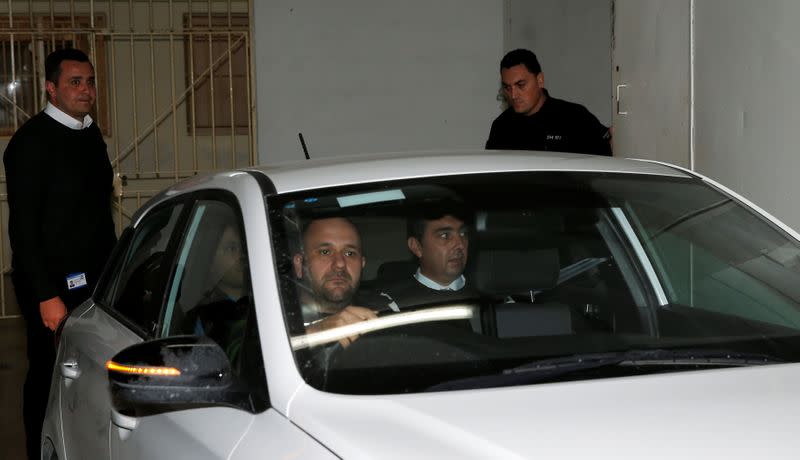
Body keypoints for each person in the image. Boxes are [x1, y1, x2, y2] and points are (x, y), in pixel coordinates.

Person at [3, 48, 117, 459]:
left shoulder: (89, 131)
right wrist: (45, 295)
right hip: (51, 286)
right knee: (48, 378)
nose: (85, 90)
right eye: (75, 82)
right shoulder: (30, 143)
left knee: (89, 374)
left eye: (89, 81)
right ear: (51, 88)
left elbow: (96, 211)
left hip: (96, 282)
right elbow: (24, 229)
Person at [485, 48, 612, 156]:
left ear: (540, 80)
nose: (513, 95)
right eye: (507, 87)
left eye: (521, 85)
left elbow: (603, 168)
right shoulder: (501, 127)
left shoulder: (574, 117)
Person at [292, 217, 380, 347]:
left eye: (349, 253)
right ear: (299, 265)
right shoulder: (272, 320)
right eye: (325, 252)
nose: (340, 263)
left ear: (362, 264)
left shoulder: (381, 315)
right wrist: (314, 333)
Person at [380, 204, 476, 310]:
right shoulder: (393, 304)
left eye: (463, 233)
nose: (460, 245)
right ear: (417, 247)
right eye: (445, 236)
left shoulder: (486, 297)